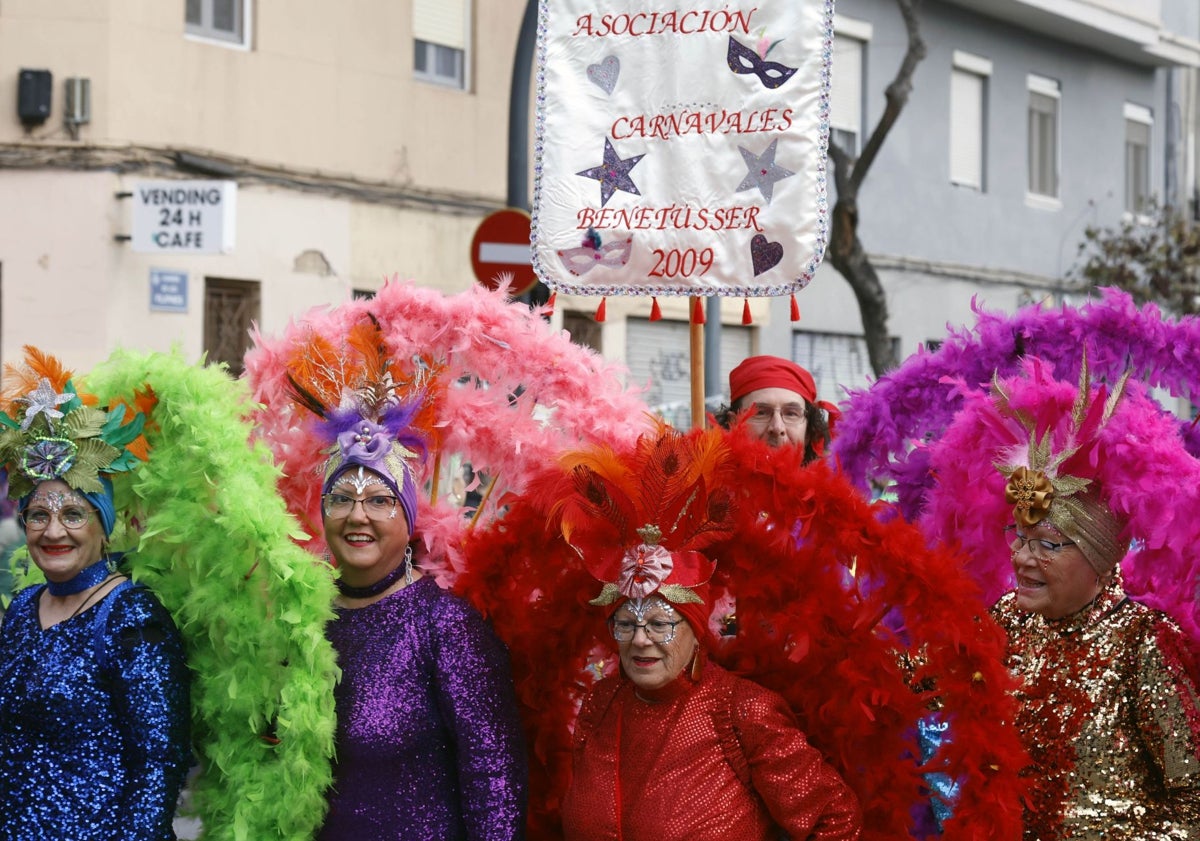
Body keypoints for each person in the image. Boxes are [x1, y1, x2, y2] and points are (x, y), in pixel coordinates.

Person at [918, 361, 1200, 839]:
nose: (1023, 559)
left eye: (1047, 545)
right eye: (1018, 537)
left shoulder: (1144, 643)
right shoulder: (1007, 618)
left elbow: (1192, 799)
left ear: (1100, 558)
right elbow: (926, 677)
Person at [280, 323, 528, 841]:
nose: (357, 517)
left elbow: (494, 781)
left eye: (378, 500)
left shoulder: (445, 625)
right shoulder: (302, 618)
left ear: (408, 515)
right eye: (341, 499)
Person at [554, 428, 861, 840]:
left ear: (695, 630)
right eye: (626, 624)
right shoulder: (600, 705)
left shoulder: (742, 713)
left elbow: (835, 820)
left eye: (660, 623)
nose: (640, 640)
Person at [0, 358, 191, 840]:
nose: (54, 530)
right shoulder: (23, 608)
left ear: (104, 526)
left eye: (74, 513)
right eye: (38, 515)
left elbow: (159, 762)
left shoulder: (131, 615)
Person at [717, 355, 837, 462]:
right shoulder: (703, 484)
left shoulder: (837, 487)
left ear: (807, 434)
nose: (777, 428)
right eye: (761, 412)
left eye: (791, 414)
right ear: (733, 423)